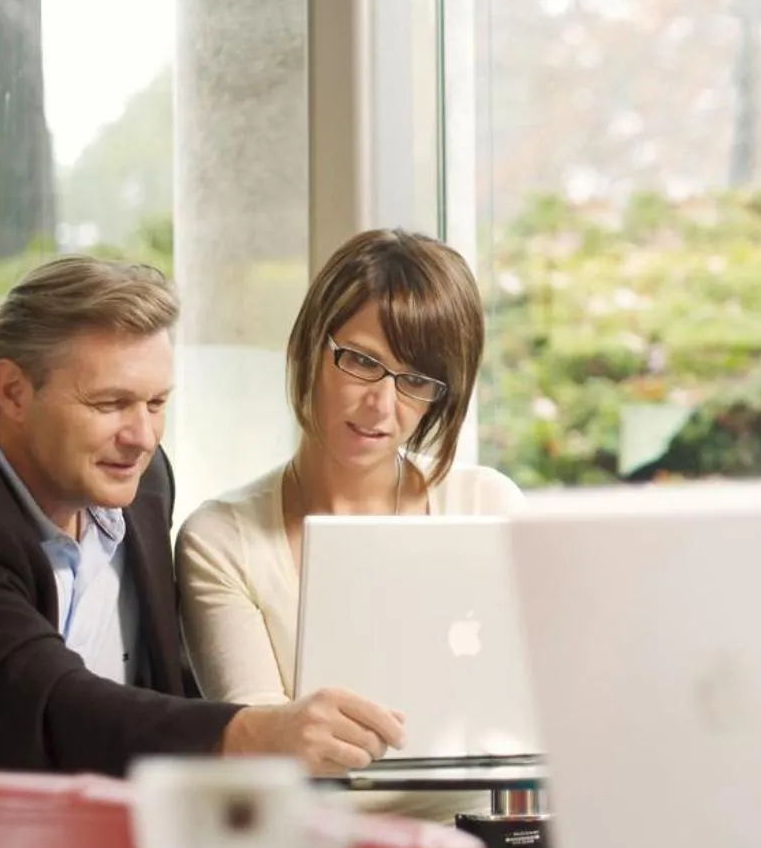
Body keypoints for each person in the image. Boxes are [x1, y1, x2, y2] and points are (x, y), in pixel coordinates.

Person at [0, 256, 406, 776]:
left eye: (157, 403)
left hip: (69, 833)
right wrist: (259, 734)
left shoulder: (137, 479)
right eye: (110, 403)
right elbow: (52, 710)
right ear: (13, 392)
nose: (141, 436)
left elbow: (155, 688)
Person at [176, 228, 520, 708]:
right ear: (309, 346)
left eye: (415, 380)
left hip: (477, 787)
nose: (381, 404)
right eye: (361, 360)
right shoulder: (224, 540)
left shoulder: (486, 507)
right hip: (304, 787)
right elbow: (261, 747)